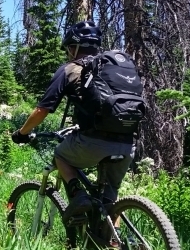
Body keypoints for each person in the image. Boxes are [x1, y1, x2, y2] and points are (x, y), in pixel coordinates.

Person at [11, 20, 136, 227]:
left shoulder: (70, 69)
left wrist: (22, 133)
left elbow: (42, 110)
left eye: (69, 48)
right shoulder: (113, 69)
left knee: (61, 154)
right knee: (110, 199)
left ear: (74, 47)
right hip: (127, 143)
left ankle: (78, 196)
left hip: (94, 142)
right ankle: (114, 248)